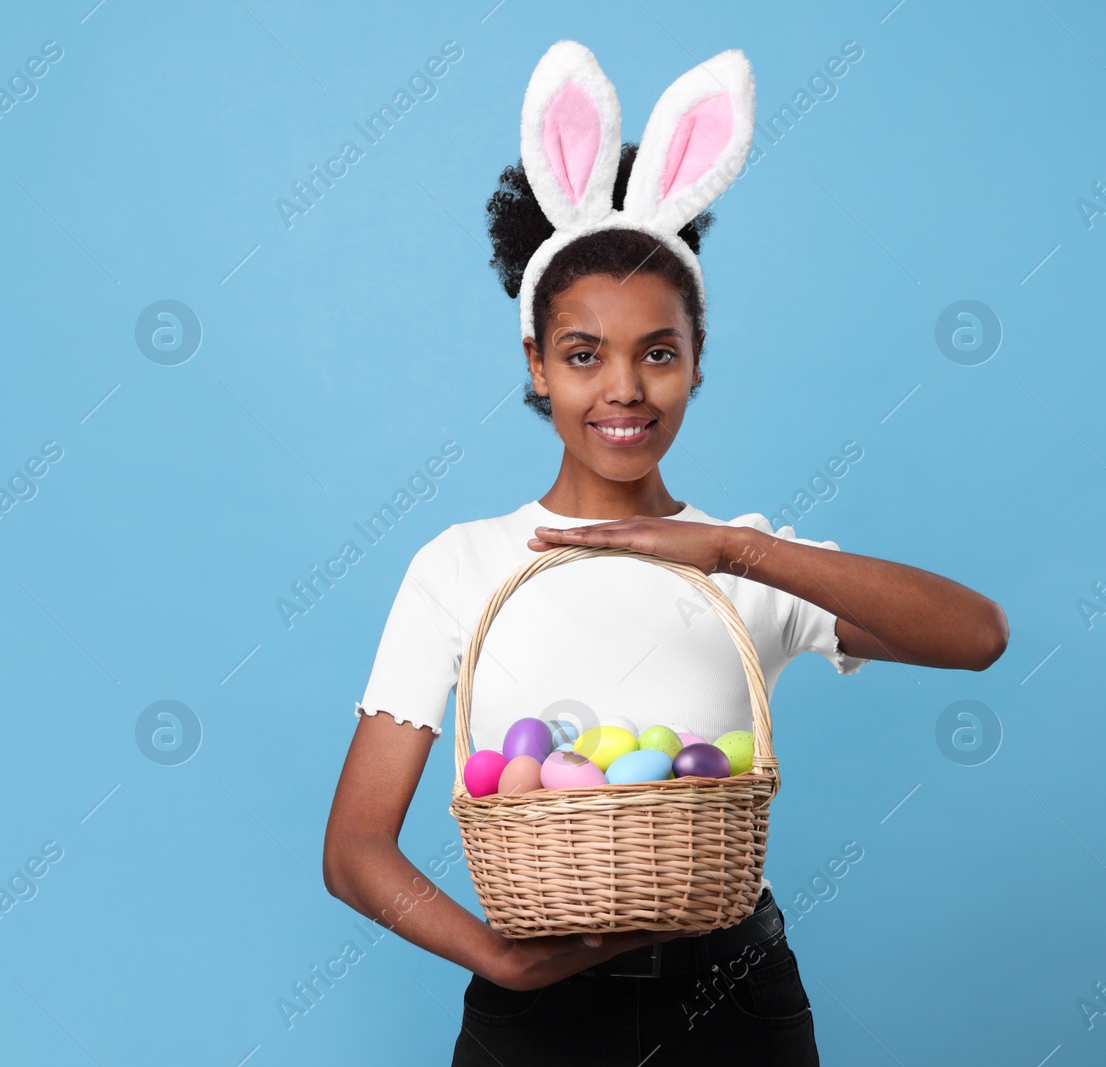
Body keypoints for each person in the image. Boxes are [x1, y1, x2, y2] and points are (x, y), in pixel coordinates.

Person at [322, 41, 1008, 1065]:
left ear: (695, 358)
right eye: (583, 354)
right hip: (537, 1014)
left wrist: (730, 549)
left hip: (735, 1000)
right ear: (537, 365)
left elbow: (977, 636)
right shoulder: (462, 564)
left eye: (658, 352)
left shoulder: (744, 561)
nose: (624, 390)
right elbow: (355, 848)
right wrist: (495, 959)